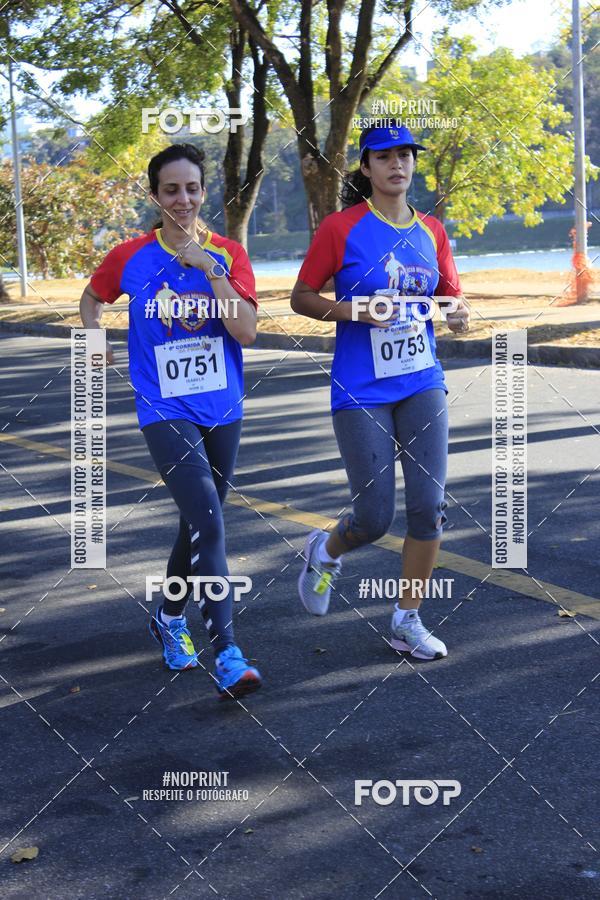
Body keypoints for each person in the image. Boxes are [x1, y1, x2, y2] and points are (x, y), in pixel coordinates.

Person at [79, 143, 262, 699]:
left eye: (192, 188)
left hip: (222, 404)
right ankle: (227, 651)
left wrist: (211, 269)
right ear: (155, 196)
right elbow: (92, 298)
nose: (182, 199)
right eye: (170, 190)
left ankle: (168, 615)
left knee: (197, 521)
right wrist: (92, 339)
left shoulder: (227, 253)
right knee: (210, 522)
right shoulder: (130, 255)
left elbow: (247, 333)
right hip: (163, 407)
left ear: (204, 192)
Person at [291, 124, 470, 660]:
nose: (398, 164)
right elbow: (301, 297)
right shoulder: (340, 228)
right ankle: (325, 550)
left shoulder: (433, 231)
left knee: (429, 506)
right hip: (362, 388)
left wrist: (459, 313)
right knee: (374, 517)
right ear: (366, 168)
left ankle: (406, 619)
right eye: (384, 157)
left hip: (421, 380)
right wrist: (356, 309)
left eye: (405, 156)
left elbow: (452, 298)